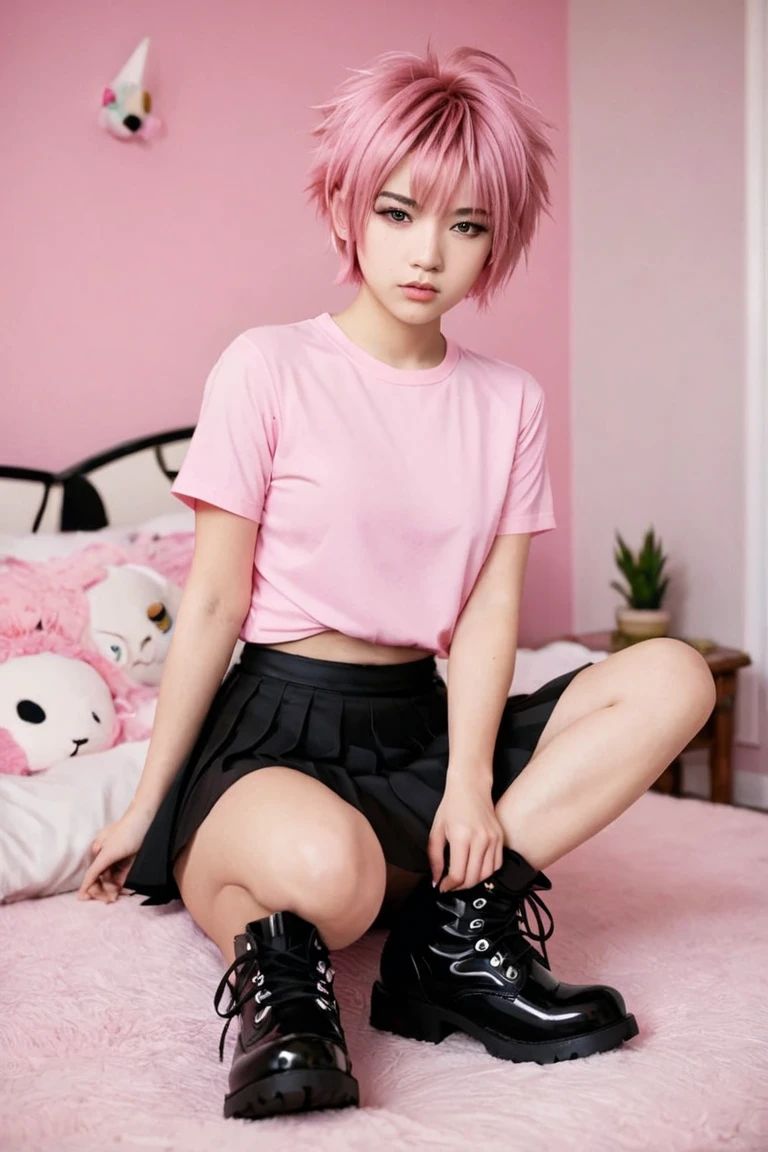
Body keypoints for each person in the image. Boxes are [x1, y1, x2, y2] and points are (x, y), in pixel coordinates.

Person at [77, 44, 716, 1122]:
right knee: (335, 879)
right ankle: (289, 972)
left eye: (466, 225)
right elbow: (217, 606)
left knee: (674, 679)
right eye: (399, 211)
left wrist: (471, 779)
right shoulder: (266, 366)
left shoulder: (508, 400)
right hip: (277, 727)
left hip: (420, 726)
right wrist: (144, 803)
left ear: (496, 240)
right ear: (347, 209)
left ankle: (451, 940)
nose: (429, 254)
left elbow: (488, 611)